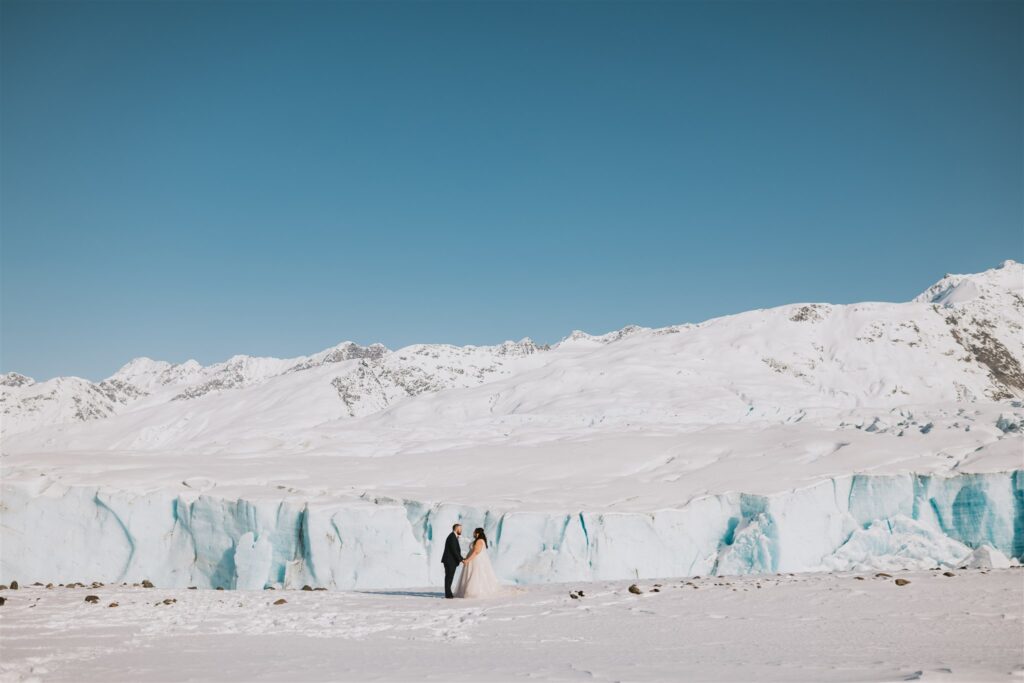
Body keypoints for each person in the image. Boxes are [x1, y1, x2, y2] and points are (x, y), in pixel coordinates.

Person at [454, 527, 502, 599]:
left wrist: (467, 560)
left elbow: (476, 552)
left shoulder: (479, 541)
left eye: (474, 532)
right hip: (473, 560)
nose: (473, 533)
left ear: (477, 533)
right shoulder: (479, 540)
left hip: (475, 561)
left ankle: (473, 592)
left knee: (474, 575)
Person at [441, 523, 464, 599]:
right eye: (460, 529)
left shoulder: (453, 536)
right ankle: (448, 594)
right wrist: (461, 559)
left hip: (450, 561)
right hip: (449, 561)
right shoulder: (452, 537)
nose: (461, 530)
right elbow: (454, 550)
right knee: (449, 577)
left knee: (450, 577)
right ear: (456, 528)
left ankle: (449, 593)